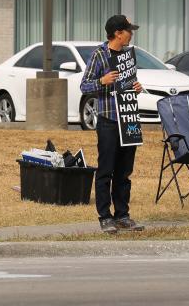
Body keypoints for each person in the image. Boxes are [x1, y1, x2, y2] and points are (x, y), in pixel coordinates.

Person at [81, 14, 145, 235]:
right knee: (106, 170)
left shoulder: (128, 55)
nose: (131, 33)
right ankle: (105, 216)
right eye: (128, 30)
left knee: (124, 172)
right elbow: (84, 86)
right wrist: (102, 80)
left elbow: (128, 82)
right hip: (108, 120)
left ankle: (122, 215)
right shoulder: (99, 55)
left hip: (129, 119)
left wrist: (135, 86)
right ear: (118, 33)